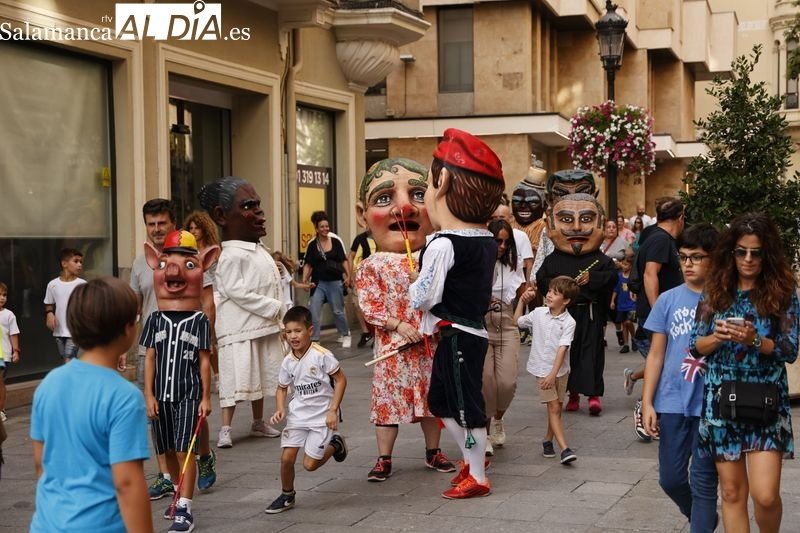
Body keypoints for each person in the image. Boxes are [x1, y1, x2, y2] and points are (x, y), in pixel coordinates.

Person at [410, 128, 504, 499]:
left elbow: (424, 295)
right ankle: (472, 459)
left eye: (427, 186)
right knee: (442, 401)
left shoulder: (445, 244)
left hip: (458, 333)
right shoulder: (482, 240)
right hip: (465, 332)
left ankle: (477, 474)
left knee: (464, 405)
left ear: (444, 180)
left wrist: (411, 285)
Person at [690, 213, 798, 533]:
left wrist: (755, 340)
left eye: (756, 252)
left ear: (768, 254)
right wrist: (718, 337)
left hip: (766, 398)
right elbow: (696, 345)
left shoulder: (783, 293)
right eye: (741, 251)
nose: (748, 259)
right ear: (731, 252)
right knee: (732, 492)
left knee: (765, 496)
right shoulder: (716, 290)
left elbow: (789, 350)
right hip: (722, 399)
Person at [354, 157, 454, 482]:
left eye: (418, 195)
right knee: (387, 403)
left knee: (431, 400)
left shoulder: (434, 255)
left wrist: (423, 283)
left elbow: (446, 297)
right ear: (362, 215)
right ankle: (384, 458)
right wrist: (398, 325)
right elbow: (369, 306)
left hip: (428, 345)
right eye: (385, 199)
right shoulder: (371, 265)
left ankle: (433, 451)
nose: (404, 209)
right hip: (392, 348)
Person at [30, 277, 153, 533]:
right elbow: (127, 483)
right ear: (128, 328)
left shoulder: (48, 384)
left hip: (47, 524)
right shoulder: (124, 397)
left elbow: (42, 463)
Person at [638, 223, 720, 532]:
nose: (688, 264)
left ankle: (701, 523)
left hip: (710, 402)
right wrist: (647, 402)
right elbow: (656, 355)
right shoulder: (668, 299)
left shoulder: (726, 299)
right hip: (671, 399)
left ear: (714, 259)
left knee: (703, 480)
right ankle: (704, 518)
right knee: (670, 479)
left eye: (697, 257)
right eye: (683, 257)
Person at [199, 177, 286, 448]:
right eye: (249, 205)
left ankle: (258, 421)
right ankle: (225, 427)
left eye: (258, 204)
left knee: (259, 375)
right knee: (234, 379)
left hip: (263, 326)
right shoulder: (230, 256)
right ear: (222, 216)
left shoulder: (259, 250)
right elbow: (238, 292)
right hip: (238, 329)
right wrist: (275, 308)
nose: (259, 211)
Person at [141, 230, 217, 532]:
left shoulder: (199, 320)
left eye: (188, 265)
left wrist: (206, 396)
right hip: (161, 395)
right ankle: (176, 494)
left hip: (188, 395)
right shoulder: (155, 320)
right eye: (164, 264)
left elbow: (204, 359)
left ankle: (185, 509)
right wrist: (148, 394)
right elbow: (149, 357)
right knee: (169, 449)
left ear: (203, 267)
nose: (172, 271)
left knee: (186, 449)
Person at [536, 193, 617, 415]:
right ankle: (571, 393)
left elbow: (612, 278)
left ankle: (592, 395)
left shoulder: (601, 260)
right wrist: (560, 287)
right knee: (565, 354)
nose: (577, 228)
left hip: (589, 313)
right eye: (566, 220)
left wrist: (594, 279)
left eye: (587, 219)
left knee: (591, 354)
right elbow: (542, 280)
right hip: (564, 315)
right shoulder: (553, 259)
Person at [265, 306, 347, 514]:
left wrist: (333, 410)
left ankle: (336, 444)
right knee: (286, 458)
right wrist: (280, 408)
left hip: (322, 418)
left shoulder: (321, 355)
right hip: (298, 417)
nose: (293, 336)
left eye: (298, 330)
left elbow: (341, 380)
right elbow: (282, 388)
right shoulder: (288, 361)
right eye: (289, 331)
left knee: (310, 465)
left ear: (310, 331)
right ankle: (287, 495)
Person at [630, 197, 685, 442]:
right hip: (659, 315)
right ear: (680, 217)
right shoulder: (661, 240)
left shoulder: (660, 238)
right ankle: (644, 411)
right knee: (661, 363)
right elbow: (650, 274)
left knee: (665, 364)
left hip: (662, 313)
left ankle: (656, 416)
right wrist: (659, 312)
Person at [515, 276, 578, 464]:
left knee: (556, 408)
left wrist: (554, 374)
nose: (549, 295)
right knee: (554, 407)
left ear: (566, 300)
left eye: (555, 293)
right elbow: (516, 321)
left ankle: (547, 440)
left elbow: (562, 349)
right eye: (549, 291)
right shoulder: (538, 313)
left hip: (560, 371)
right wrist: (521, 301)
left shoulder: (569, 322)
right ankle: (565, 449)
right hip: (542, 368)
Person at [483, 218, 526, 455]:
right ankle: (485, 431)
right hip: (482, 324)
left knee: (507, 382)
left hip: (507, 323)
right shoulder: (479, 264)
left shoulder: (512, 265)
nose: (501, 246)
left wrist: (529, 294)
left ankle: (498, 417)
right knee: (487, 382)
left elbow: (522, 291)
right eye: (497, 241)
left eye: (505, 242)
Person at [301, 211, 352, 348]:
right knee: (314, 310)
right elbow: (308, 264)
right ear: (317, 229)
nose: (325, 229)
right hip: (318, 283)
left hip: (335, 282)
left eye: (327, 226)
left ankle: (345, 334)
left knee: (338, 310)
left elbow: (344, 260)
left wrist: (348, 276)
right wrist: (305, 280)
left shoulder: (335, 241)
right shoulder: (312, 244)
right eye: (322, 227)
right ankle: (315, 339)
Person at [184, 210, 222, 391]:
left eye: (197, 227)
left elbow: (221, 274)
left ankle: (218, 376)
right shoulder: (187, 251)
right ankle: (201, 374)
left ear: (204, 229)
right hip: (194, 296)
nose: (194, 231)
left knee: (212, 339)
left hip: (214, 294)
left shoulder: (214, 250)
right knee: (199, 338)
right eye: (190, 228)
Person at [43, 248, 86, 364]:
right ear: (64, 264)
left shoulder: (82, 284)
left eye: (81, 262)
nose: (79, 265)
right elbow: (48, 302)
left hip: (74, 331)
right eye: (76, 261)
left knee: (69, 359)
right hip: (59, 330)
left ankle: (69, 381)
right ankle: (76, 380)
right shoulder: (52, 284)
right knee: (66, 359)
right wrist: (49, 314)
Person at [347, 230, 376, 348]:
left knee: (375, 305)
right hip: (360, 277)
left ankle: (377, 333)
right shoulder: (359, 238)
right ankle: (366, 332)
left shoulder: (381, 236)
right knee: (357, 304)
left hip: (375, 278)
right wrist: (350, 275)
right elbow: (350, 256)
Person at [0, 282, 20, 423]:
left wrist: (16, 351)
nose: (2, 298)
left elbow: (14, 334)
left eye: (4, 295)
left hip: (3, 355)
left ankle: (1, 409)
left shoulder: (9, 315)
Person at [611, 254, 637, 354]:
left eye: (625, 264)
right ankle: (626, 344)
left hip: (631, 304)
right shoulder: (619, 276)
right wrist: (612, 301)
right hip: (621, 304)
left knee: (628, 322)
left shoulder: (633, 277)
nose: (623, 266)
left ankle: (634, 338)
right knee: (623, 324)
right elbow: (616, 290)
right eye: (622, 264)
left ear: (630, 266)